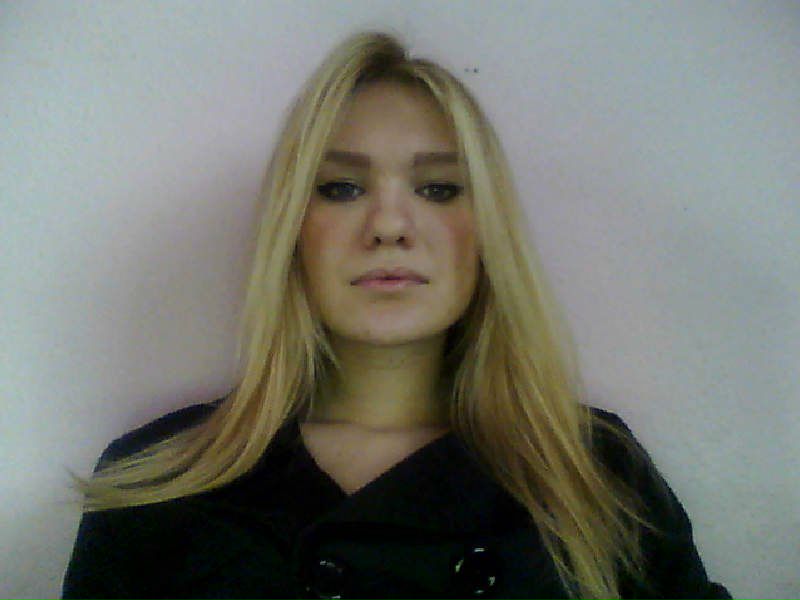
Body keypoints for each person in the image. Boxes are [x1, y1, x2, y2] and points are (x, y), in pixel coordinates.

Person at [61, 30, 733, 600]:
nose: (389, 225)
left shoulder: (593, 474)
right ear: (292, 232)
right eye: (341, 188)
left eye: (438, 188)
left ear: (487, 234)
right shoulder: (156, 482)